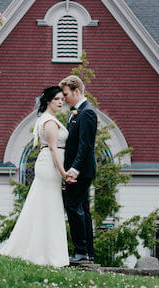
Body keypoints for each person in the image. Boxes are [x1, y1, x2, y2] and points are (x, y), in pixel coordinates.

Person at [0, 86, 71, 267]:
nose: (61, 102)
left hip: (48, 164)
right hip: (51, 167)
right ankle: (46, 254)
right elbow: (53, 148)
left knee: (45, 206)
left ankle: (45, 252)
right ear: (48, 101)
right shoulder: (49, 122)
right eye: (57, 99)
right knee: (49, 206)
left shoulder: (47, 119)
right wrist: (63, 172)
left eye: (62, 99)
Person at [61, 74, 97, 263]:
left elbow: (86, 145)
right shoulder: (75, 112)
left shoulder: (87, 112)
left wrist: (74, 170)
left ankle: (81, 251)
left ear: (76, 91)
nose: (64, 98)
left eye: (66, 94)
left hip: (81, 171)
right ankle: (88, 253)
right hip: (79, 169)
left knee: (74, 207)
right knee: (83, 209)